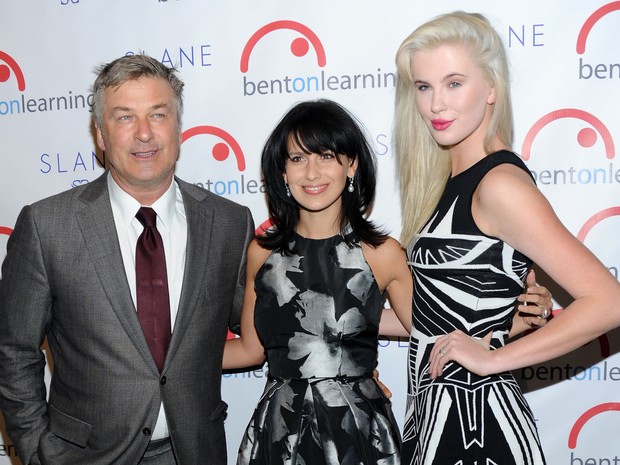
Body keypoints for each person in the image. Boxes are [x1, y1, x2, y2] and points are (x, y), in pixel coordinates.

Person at [220, 99, 551, 465]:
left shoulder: (382, 252)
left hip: (358, 429)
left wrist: (518, 320)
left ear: (352, 165)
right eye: (297, 158)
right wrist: (164, 365)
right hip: (279, 430)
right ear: (281, 171)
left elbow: (434, 333)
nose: (311, 172)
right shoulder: (260, 252)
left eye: (326, 156)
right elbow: (251, 349)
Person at [0, 54, 254, 465]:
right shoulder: (47, 225)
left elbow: (267, 326)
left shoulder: (229, 223)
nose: (144, 134)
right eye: (123, 118)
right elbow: (13, 349)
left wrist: (344, 358)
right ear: (100, 135)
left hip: (193, 452)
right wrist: (36, 452)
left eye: (158, 114)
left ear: (178, 126)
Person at [393, 11, 620, 464]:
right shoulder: (448, 181)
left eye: (454, 83)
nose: (436, 104)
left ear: (491, 88)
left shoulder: (498, 185)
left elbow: (608, 301)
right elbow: (438, 314)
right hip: (432, 417)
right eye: (424, 87)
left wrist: (492, 359)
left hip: (478, 426)